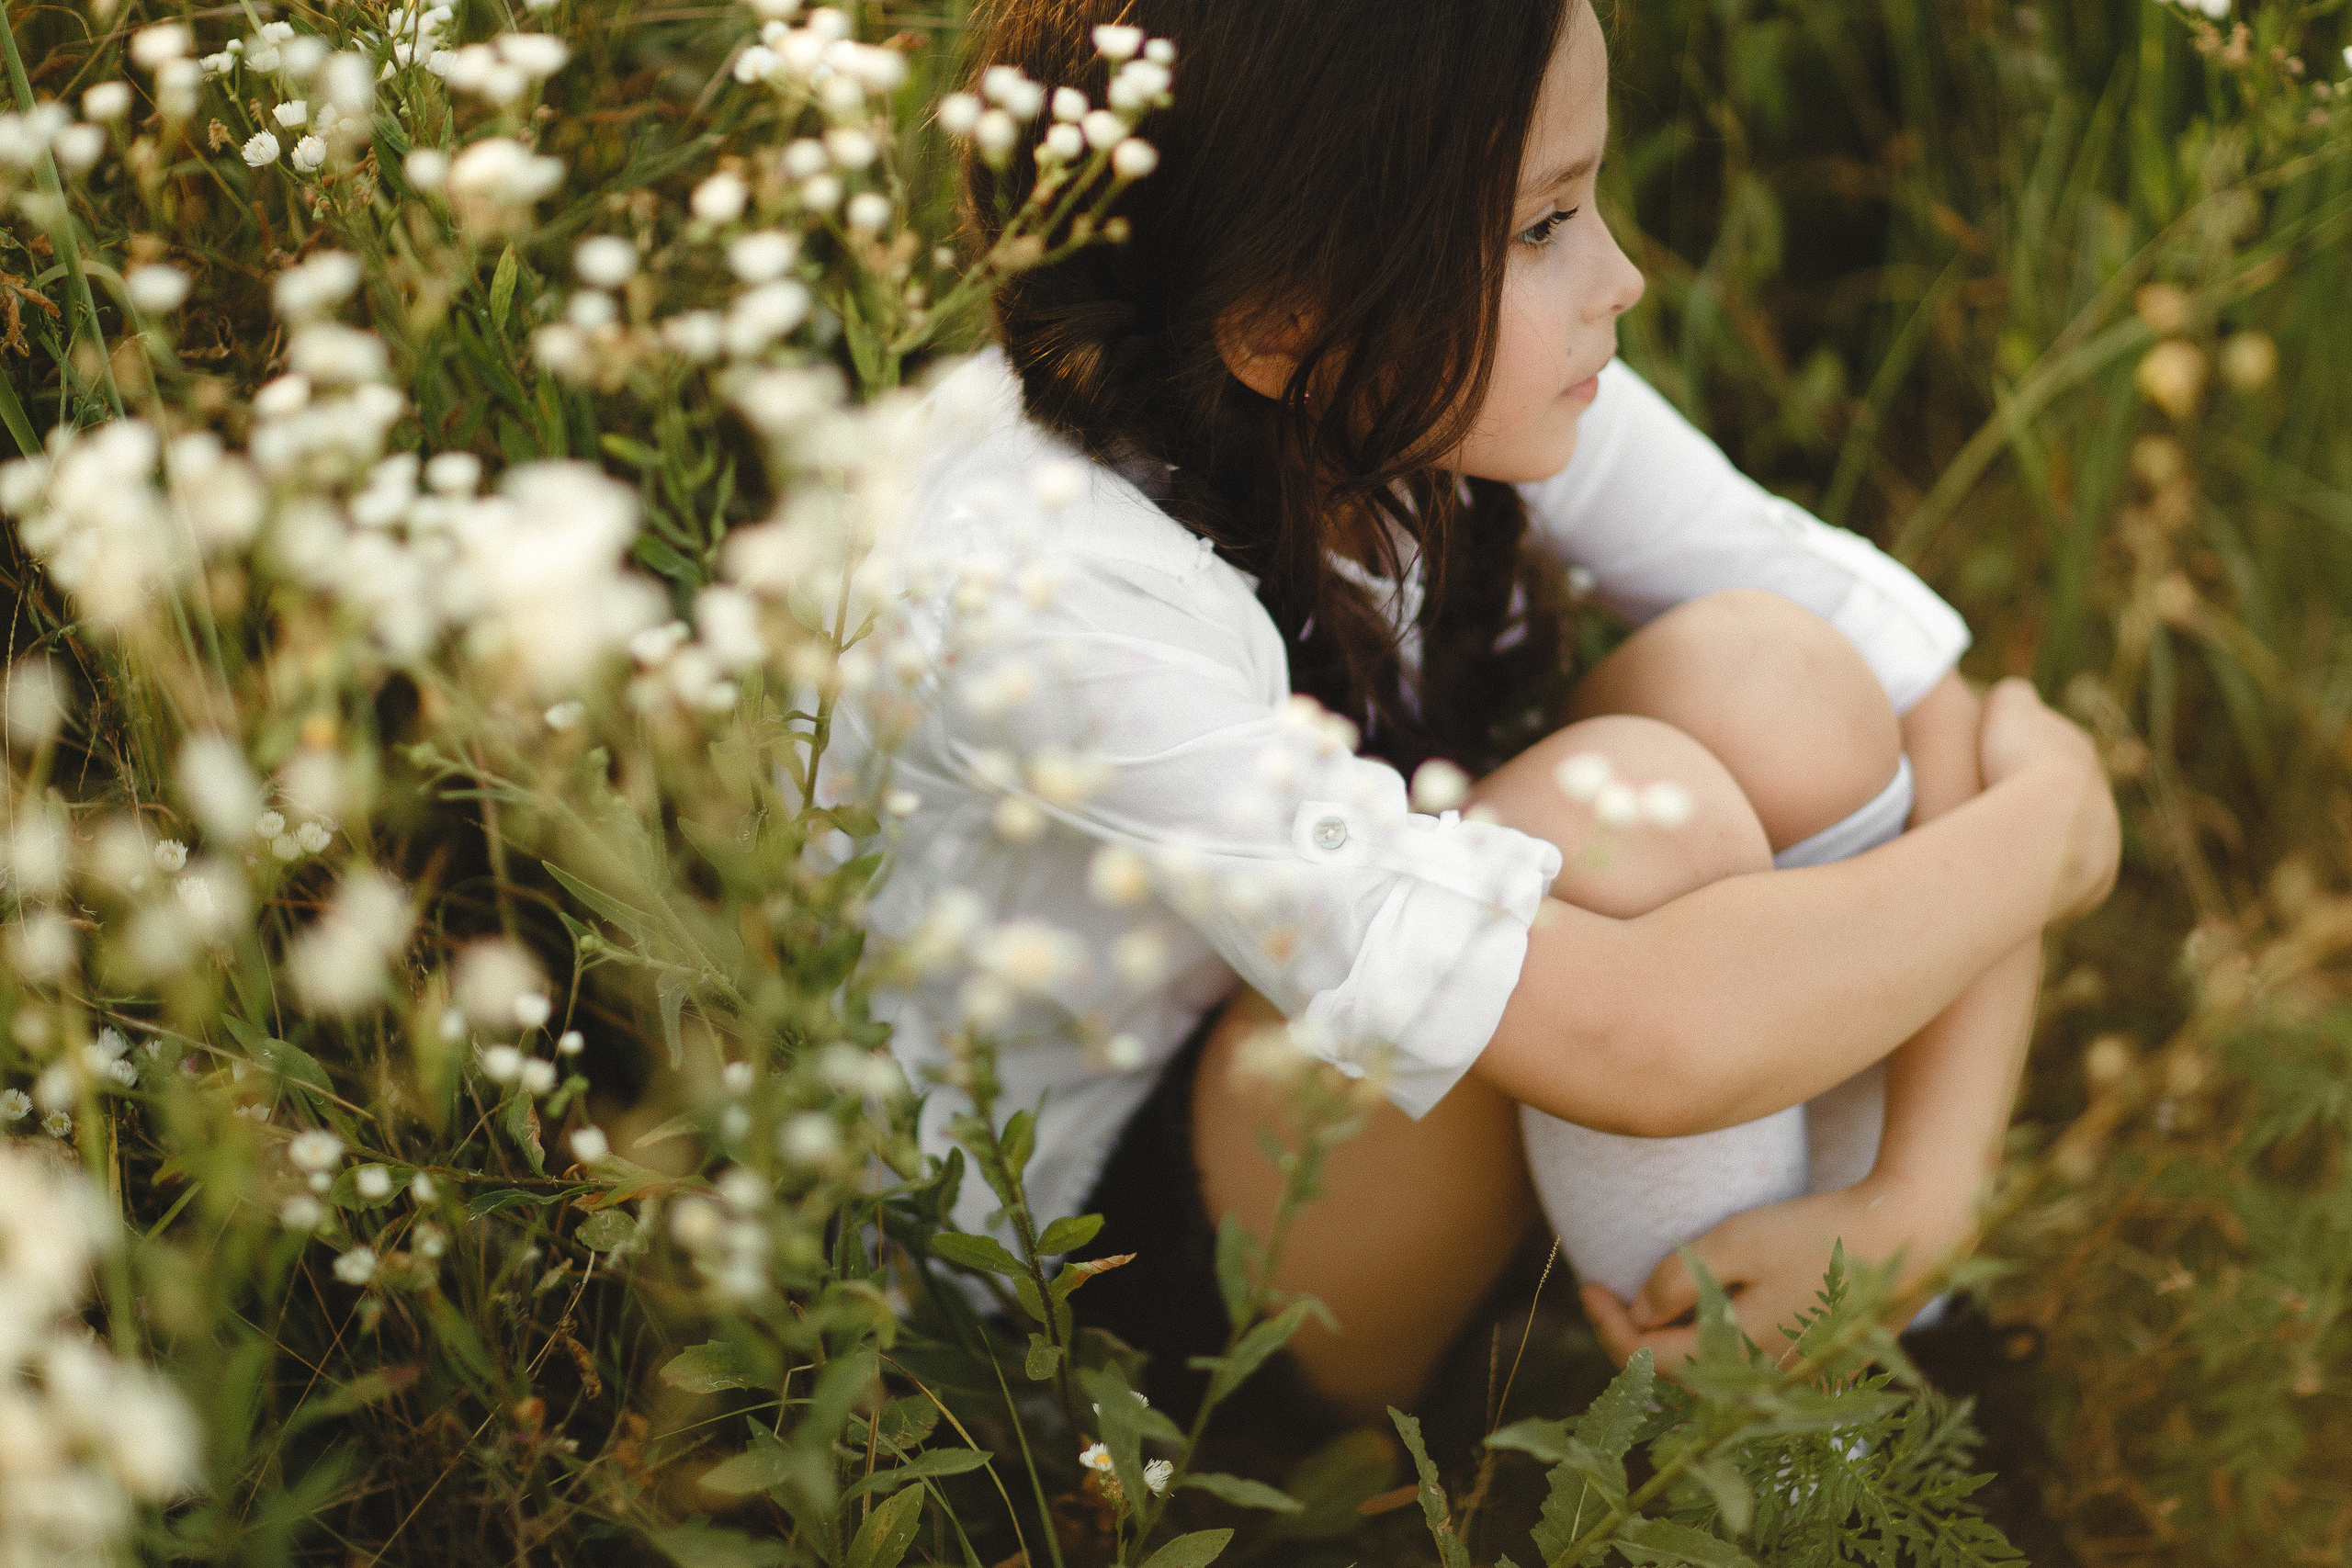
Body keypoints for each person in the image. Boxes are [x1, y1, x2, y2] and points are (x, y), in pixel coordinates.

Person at [836, 0, 2120, 1427]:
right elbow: (1646, 1039)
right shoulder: (1046, 585)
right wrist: (2052, 832)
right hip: (1094, 1279)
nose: (1619, 276)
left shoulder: (1423, 372)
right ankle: (1769, 1469)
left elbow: (1920, 701)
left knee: (1775, 680)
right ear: (1278, 320)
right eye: (1542, 225)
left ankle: (1884, 1347)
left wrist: (1921, 1203)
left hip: (1336, 1043)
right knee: (1627, 823)